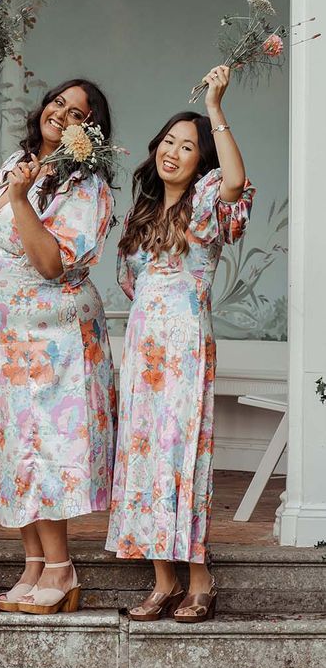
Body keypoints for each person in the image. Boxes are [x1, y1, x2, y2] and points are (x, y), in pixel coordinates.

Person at [0, 79, 116, 614]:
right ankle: (33, 565)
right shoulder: (14, 164)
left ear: (88, 129)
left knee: (46, 449)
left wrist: (22, 198)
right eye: (56, 101)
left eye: (76, 111)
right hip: (0, 340)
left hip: (52, 341)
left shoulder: (86, 187)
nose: (60, 111)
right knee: (15, 449)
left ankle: (63, 568)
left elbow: (49, 262)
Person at [106, 65, 254, 623]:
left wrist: (215, 109)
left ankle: (199, 576)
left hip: (187, 341)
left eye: (187, 146)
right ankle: (161, 579)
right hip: (143, 347)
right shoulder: (142, 214)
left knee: (183, 452)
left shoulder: (210, 199)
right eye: (168, 141)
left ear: (201, 160)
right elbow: (130, 282)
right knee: (142, 455)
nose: (173, 152)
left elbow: (237, 181)